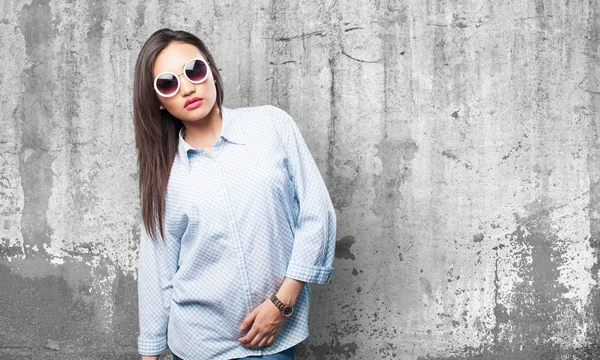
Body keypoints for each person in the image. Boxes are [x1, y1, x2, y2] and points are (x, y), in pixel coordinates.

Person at [132, 28, 337, 360]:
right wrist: (150, 354)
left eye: (193, 70)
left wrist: (282, 303)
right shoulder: (165, 175)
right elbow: (158, 271)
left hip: (273, 338)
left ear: (211, 70)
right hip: (197, 344)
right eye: (168, 83)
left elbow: (317, 215)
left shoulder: (272, 126)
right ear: (158, 100)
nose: (186, 87)